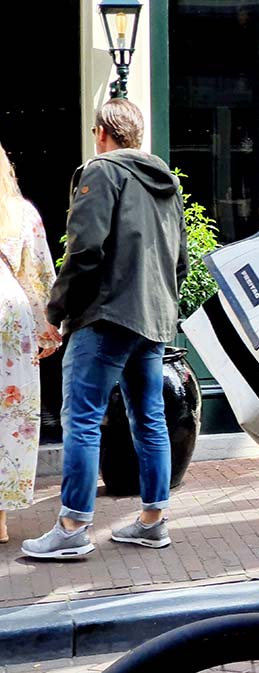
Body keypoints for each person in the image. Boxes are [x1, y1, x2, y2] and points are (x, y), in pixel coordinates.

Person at [22, 98, 187, 560]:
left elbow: (85, 251)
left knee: (82, 420)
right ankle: (153, 522)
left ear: (101, 133)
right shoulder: (166, 182)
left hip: (107, 315)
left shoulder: (100, 172)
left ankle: (73, 527)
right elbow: (180, 260)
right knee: (150, 419)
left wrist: (57, 310)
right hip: (153, 318)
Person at [0, 143, 62, 545]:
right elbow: (38, 275)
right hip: (9, 311)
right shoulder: (21, 212)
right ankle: (0, 518)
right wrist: (48, 330)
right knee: (10, 417)